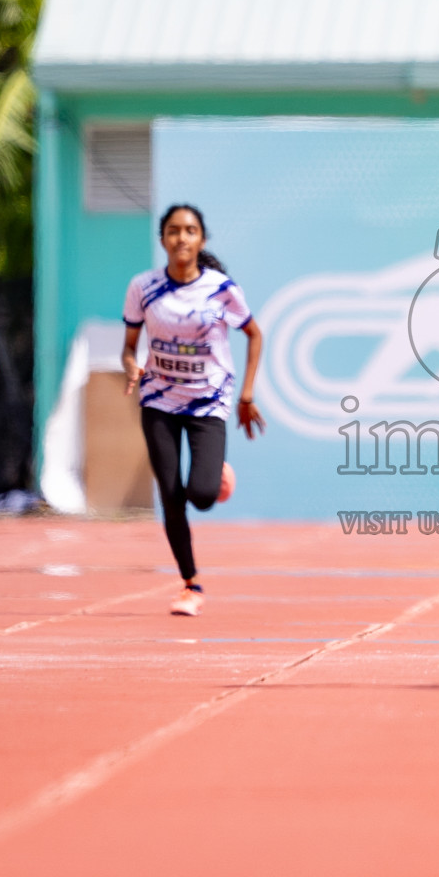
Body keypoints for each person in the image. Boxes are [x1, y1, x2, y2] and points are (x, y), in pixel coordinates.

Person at [121, 204, 265, 617]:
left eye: (189, 231)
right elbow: (130, 346)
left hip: (209, 400)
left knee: (201, 495)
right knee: (170, 495)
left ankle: (212, 467)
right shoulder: (143, 287)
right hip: (159, 400)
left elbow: (254, 335)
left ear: (201, 239)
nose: (181, 238)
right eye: (173, 231)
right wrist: (131, 363)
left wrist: (247, 395)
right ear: (162, 239)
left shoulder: (221, 289)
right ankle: (190, 584)